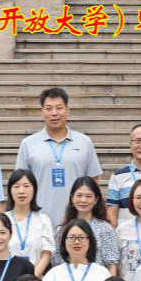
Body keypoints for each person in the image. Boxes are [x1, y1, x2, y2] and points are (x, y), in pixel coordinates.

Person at [14, 87, 103, 216]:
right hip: (40, 218)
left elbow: (93, 181)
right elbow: (20, 183)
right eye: (49, 108)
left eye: (59, 108)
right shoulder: (28, 144)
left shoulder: (84, 142)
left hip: (77, 219)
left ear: (67, 110)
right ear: (42, 112)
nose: (54, 113)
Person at [50, 176, 120, 275]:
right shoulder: (61, 230)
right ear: (72, 198)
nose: (83, 200)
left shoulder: (105, 228)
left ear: (96, 200)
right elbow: (56, 262)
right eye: (79, 195)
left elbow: (112, 265)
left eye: (88, 196)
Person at [4, 169, 55, 275]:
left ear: (34, 190)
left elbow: (46, 255)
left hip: (35, 280)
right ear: (10, 190)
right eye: (16, 186)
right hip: (6, 280)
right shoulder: (2, 220)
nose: (21, 191)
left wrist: (30, 280)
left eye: (26, 186)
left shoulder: (43, 220)